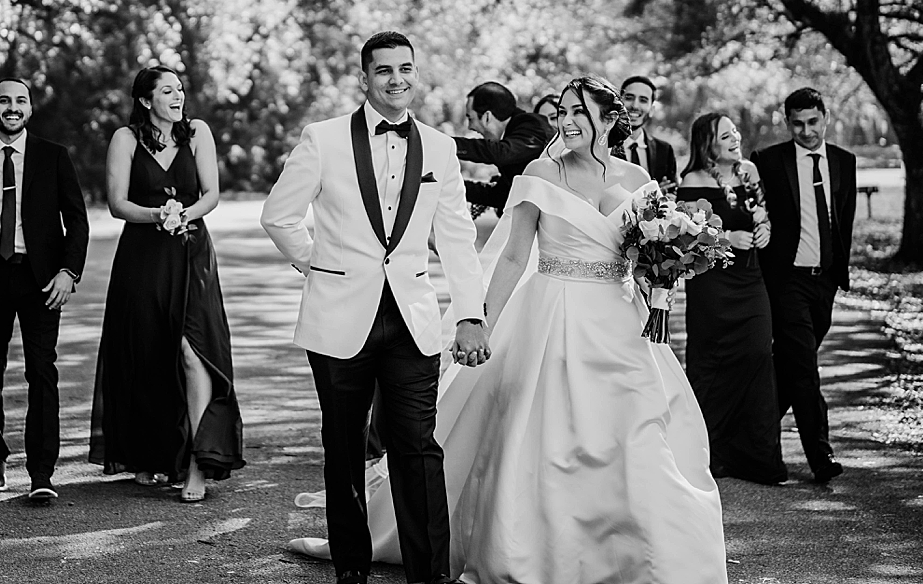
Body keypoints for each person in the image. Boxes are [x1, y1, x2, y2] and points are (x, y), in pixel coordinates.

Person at [289, 75, 727, 584]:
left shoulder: (639, 183)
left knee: (639, 432)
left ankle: (641, 555)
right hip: (552, 315)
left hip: (620, 321)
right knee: (545, 434)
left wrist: (662, 283)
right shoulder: (541, 172)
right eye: (562, 110)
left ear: (609, 120)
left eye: (579, 111)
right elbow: (514, 255)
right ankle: (539, 553)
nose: (566, 120)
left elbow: (647, 262)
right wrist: (479, 323)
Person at [262, 31, 490, 584]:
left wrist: (470, 315)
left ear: (416, 73)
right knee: (343, 452)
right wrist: (319, 266)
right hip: (339, 317)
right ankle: (351, 571)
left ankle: (428, 576)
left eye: (405, 68)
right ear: (364, 78)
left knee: (418, 450)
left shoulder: (439, 148)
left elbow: (456, 238)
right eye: (384, 70)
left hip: (411, 320)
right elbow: (279, 215)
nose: (396, 79)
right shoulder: (323, 139)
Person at [90, 66, 244, 503]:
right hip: (141, 257)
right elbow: (117, 204)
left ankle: (199, 461)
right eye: (167, 90)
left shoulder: (197, 132)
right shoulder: (125, 139)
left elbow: (210, 195)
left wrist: (183, 216)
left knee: (193, 353)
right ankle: (155, 455)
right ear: (145, 100)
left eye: (180, 89)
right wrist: (157, 215)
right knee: (148, 351)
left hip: (191, 253)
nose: (178, 96)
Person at [0, 78, 90, 501]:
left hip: (41, 278)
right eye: (4, 100)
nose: (12, 107)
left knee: (42, 371)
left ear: (30, 108)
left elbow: (77, 220)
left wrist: (69, 272)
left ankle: (42, 474)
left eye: (20, 100)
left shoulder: (54, 157)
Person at [751, 87, 856, 484]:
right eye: (797, 123)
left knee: (792, 368)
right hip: (787, 281)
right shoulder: (769, 161)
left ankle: (745, 436)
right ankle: (820, 454)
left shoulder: (846, 162)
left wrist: (837, 274)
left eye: (813, 122)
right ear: (787, 122)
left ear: (825, 118)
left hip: (824, 282)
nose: (806, 131)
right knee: (805, 367)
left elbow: (842, 219)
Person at [678, 113, 787, 484]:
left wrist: (764, 231)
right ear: (707, 143)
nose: (735, 138)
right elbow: (686, 239)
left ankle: (757, 457)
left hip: (750, 280)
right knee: (711, 362)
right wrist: (727, 240)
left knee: (758, 354)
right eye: (726, 135)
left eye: (735, 132)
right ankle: (710, 453)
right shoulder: (693, 181)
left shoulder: (749, 172)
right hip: (713, 288)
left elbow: (764, 216)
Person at [453, 82, 552, 216]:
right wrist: (449, 184)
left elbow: (500, 153)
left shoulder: (533, 125)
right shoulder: (513, 139)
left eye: (471, 119)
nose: (470, 127)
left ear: (487, 117)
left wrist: (447, 145)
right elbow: (499, 195)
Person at [616, 75, 678, 189]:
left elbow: (672, 193)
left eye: (643, 100)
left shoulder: (664, 150)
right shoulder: (603, 146)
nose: (635, 106)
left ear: (651, 110)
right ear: (619, 103)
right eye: (629, 98)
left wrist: (661, 196)